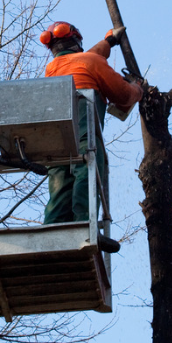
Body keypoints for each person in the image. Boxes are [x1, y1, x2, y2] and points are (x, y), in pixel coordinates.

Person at [39, 20, 143, 226]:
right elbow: (123, 96)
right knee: (87, 170)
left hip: (56, 137)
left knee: (60, 181)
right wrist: (137, 88)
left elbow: (89, 57)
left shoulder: (52, 68)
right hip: (83, 129)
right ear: (77, 42)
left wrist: (108, 42)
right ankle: (83, 225)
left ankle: (53, 229)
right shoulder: (90, 61)